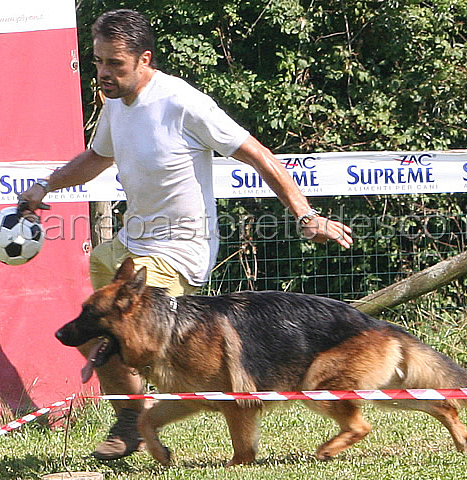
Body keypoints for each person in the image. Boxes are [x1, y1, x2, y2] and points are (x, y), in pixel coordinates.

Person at [18, 9, 353, 461]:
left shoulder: (182, 103)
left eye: (114, 64)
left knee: (118, 332)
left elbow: (260, 155)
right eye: (97, 62)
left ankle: (133, 421)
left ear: (144, 59)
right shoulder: (115, 104)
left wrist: (306, 216)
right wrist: (47, 185)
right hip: (131, 244)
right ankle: (136, 412)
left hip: (180, 250)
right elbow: (96, 157)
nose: (103, 73)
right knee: (101, 330)